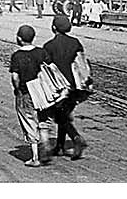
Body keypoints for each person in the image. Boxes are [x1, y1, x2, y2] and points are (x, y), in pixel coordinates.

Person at [43, 14, 87, 160]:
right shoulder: (76, 43)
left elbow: (47, 69)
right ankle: (60, 146)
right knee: (63, 114)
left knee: (60, 115)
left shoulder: (48, 46)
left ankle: (76, 138)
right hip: (75, 86)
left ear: (53, 28)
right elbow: (81, 63)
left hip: (59, 86)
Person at [9, 24, 52, 168]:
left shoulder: (17, 56)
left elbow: (15, 77)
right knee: (43, 118)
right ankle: (45, 145)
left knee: (29, 122)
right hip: (43, 92)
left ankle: (35, 157)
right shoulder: (41, 52)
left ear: (19, 39)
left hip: (26, 92)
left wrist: (17, 89)